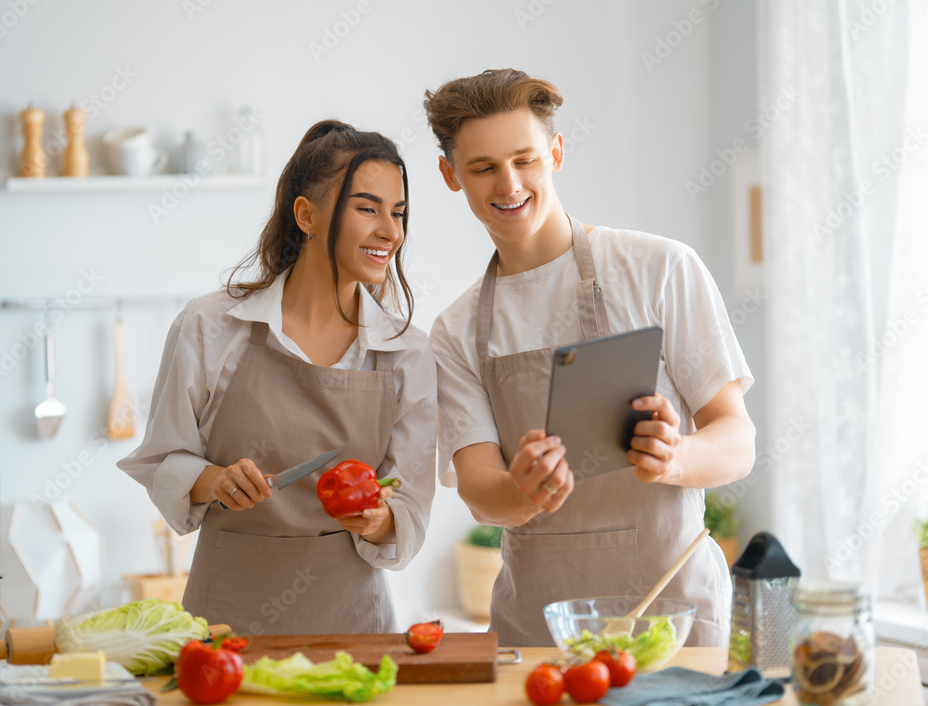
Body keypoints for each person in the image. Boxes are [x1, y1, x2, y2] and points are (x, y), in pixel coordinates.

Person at [423, 69, 755, 648]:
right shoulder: (455, 331)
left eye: (525, 158)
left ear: (554, 151)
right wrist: (522, 491)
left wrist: (676, 457)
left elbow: (737, 439)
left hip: (670, 621)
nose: (509, 183)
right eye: (483, 167)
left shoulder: (661, 268)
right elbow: (478, 487)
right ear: (451, 175)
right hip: (538, 631)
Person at [119, 120, 437, 636]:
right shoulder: (211, 326)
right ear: (307, 215)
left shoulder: (408, 351)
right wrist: (214, 480)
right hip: (225, 621)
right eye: (367, 209)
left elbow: (412, 500)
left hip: (352, 625)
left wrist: (379, 521)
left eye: (398, 213)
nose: (391, 232)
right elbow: (163, 459)